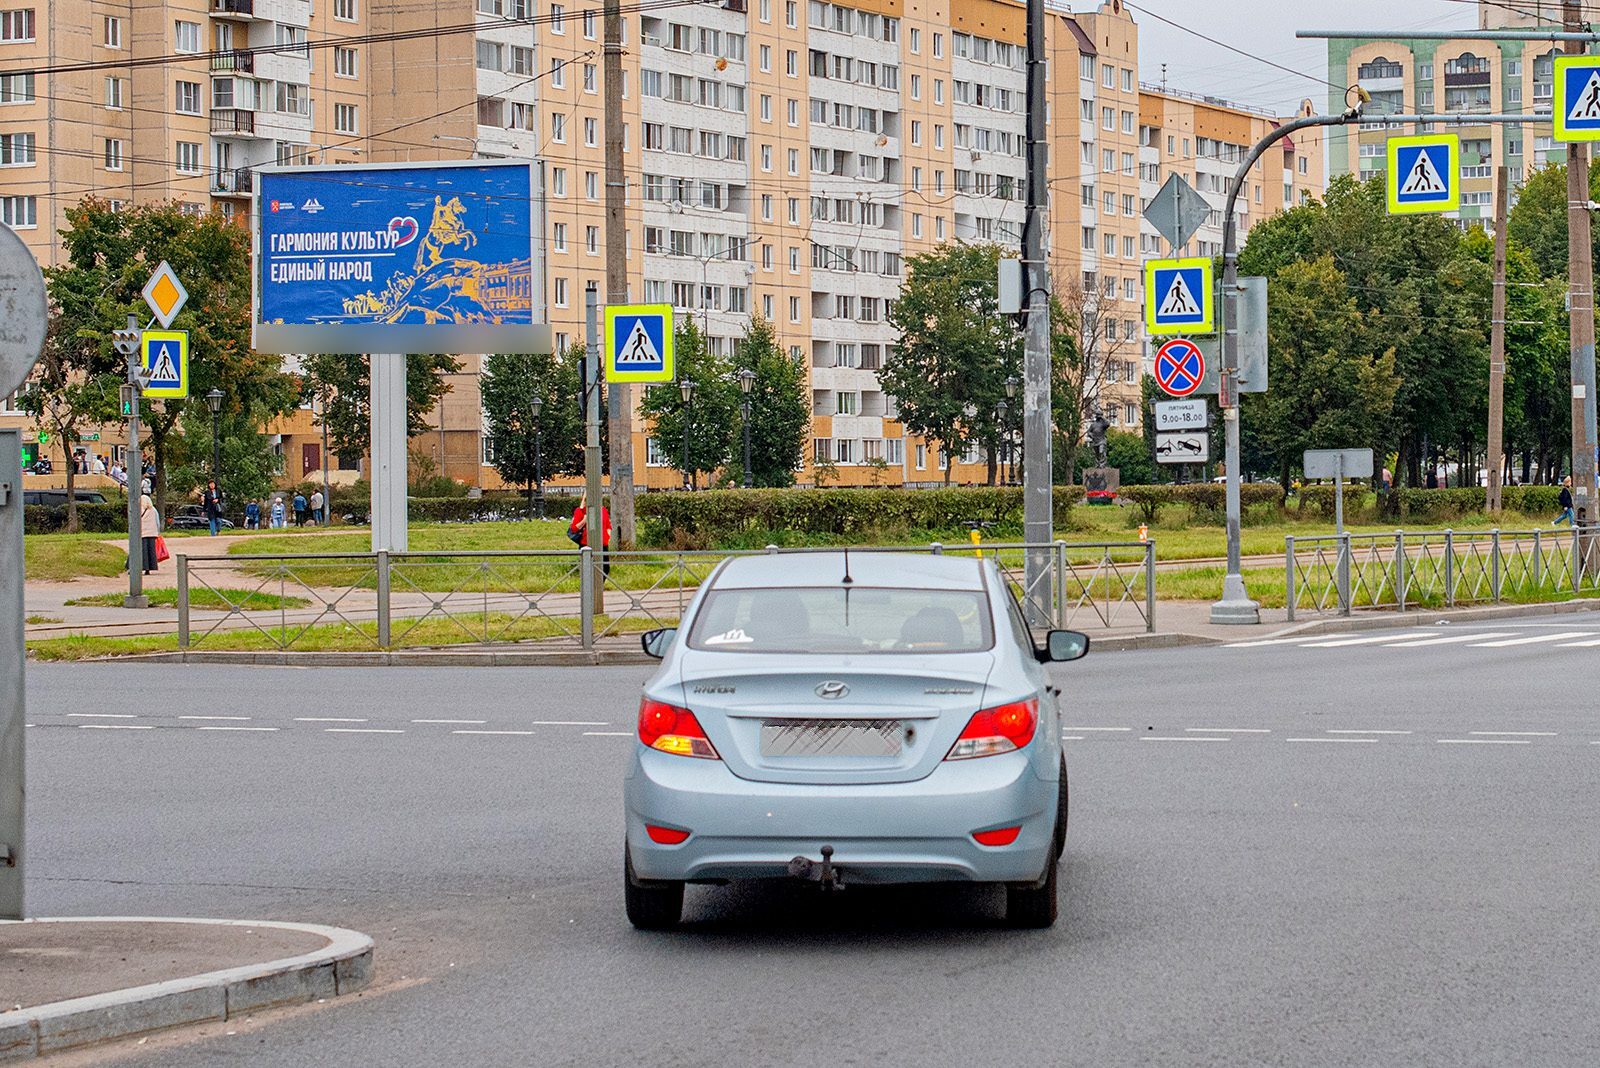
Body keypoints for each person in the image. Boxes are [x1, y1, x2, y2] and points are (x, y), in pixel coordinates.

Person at [568, 501, 612, 575]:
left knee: (605, 568)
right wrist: (584, 521)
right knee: (588, 569)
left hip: (603, 543)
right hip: (586, 544)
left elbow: (608, 525)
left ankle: (598, 586)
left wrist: (607, 537)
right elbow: (574, 529)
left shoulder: (603, 510)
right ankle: (589, 586)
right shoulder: (580, 511)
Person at [138, 492, 160, 574]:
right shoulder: (153, 510)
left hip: (142, 532)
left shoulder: (140, 509)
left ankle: (141, 566)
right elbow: (157, 522)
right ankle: (149, 569)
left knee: (142, 550)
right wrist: (157, 531)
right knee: (151, 551)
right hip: (152, 533)